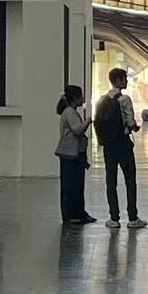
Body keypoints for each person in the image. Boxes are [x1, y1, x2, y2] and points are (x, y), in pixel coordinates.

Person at [95, 66, 147, 230]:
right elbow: (130, 122)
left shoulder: (102, 99)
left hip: (109, 145)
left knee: (111, 181)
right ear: (117, 80)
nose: (126, 81)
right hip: (123, 144)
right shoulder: (124, 99)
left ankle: (114, 218)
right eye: (124, 78)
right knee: (130, 180)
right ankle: (132, 217)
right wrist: (134, 127)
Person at [55, 85, 97, 226]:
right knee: (70, 186)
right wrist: (88, 121)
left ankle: (79, 213)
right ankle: (70, 214)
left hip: (74, 154)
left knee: (77, 185)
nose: (83, 99)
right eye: (81, 96)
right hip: (69, 154)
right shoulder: (70, 113)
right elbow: (78, 130)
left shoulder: (71, 112)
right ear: (75, 98)